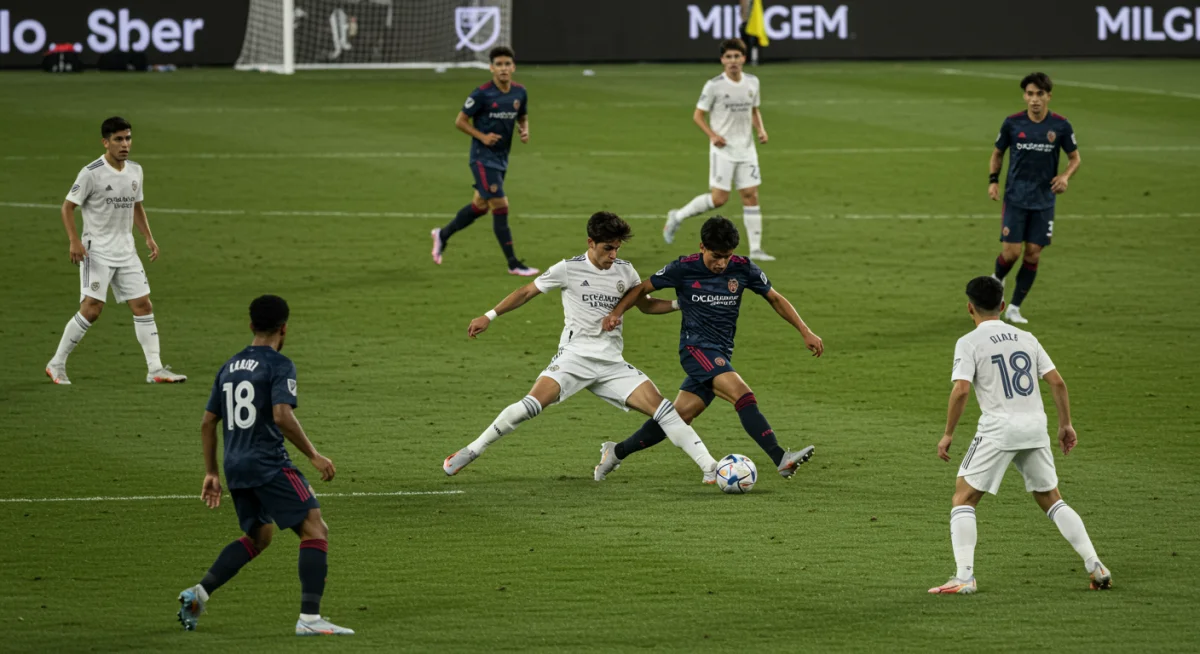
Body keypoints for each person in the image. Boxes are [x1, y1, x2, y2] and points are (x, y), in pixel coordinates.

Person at [442, 212, 719, 482]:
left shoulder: (626, 270)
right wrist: (489, 316)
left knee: (665, 411)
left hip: (612, 363)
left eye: (617, 248)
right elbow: (526, 291)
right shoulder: (569, 269)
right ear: (591, 243)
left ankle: (710, 468)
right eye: (607, 248)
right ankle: (472, 450)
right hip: (574, 358)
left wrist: (678, 304)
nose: (613, 255)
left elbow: (645, 306)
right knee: (529, 407)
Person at [177, 295, 353, 636]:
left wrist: (211, 472)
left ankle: (198, 594)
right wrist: (314, 455)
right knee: (316, 529)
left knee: (259, 537)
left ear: (251, 326)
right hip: (269, 462)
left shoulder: (228, 366)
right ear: (284, 328)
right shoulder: (278, 364)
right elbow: (281, 416)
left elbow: (207, 422)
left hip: (235, 466)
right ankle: (310, 620)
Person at [596, 216, 822, 481]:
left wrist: (804, 330)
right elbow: (643, 287)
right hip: (696, 349)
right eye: (716, 256)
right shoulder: (683, 268)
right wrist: (616, 313)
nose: (722, 263)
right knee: (743, 395)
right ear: (702, 247)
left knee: (678, 417)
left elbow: (774, 297)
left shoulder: (743, 269)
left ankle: (616, 452)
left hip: (721, 352)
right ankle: (780, 458)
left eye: (727, 257)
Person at [929, 276, 1110, 595]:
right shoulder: (1027, 337)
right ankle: (1095, 564)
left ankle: (964, 577)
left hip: (999, 428)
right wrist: (1065, 424)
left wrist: (947, 434)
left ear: (969, 307)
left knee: (964, 498)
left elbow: (960, 391)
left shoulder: (969, 342)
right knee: (1051, 498)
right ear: (1002, 306)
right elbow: (1057, 383)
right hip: (1035, 427)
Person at [45, 116, 186, 385]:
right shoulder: (91, 172)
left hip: (126, 250)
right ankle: (56, 363)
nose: (125, 144)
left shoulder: (135, 170)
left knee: (143, 305)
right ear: (105, 142)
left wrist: (148, 237)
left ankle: (155, 369)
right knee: (92, 309)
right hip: (96, 251)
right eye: (119, 139)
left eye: (128, 138)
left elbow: (136, 205)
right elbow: (67, 207)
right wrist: (74, 241)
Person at [431, 45, 538, 277]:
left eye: (507, 64)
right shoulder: (482, 94)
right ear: (491, 68)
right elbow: (460, 121)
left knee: (479, 207)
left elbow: (522, 115)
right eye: (498, 65)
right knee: (501, 204)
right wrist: (482, 137)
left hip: (501, 159)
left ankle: (442, 235)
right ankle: (513, 263)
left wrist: (524, 130)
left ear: (513, 67)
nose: (503, 69)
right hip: (482, 159)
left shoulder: (520, 92)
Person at [663, 38, 773, 262]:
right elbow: (697, 115)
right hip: (723, 150)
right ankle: (678, 216)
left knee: (751, 195)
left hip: (747, 149)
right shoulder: (714, 86)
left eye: (737, 57)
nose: (733, 61)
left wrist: (761, 130)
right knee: (719, 199)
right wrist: (713, 136)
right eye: (728, 57)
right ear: (722, 60)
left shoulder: (753, 82)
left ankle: (756, 250)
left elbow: (754, 110)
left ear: (743, 58)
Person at [988, 72, 1081, 324]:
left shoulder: (1061, 125)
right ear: (1024, 96)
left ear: (1048, 96)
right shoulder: (1012, 123)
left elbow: (1075, 158)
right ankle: (998, 279)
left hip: (1044, 200)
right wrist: (993, 181)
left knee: (1033, 254)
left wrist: (1064, 177)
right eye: (1030, 94)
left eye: (1040, 94)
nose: (1035, 99)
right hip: (1016, 197)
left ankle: (1015, 307)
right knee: (1011, 253)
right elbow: (997, 153)